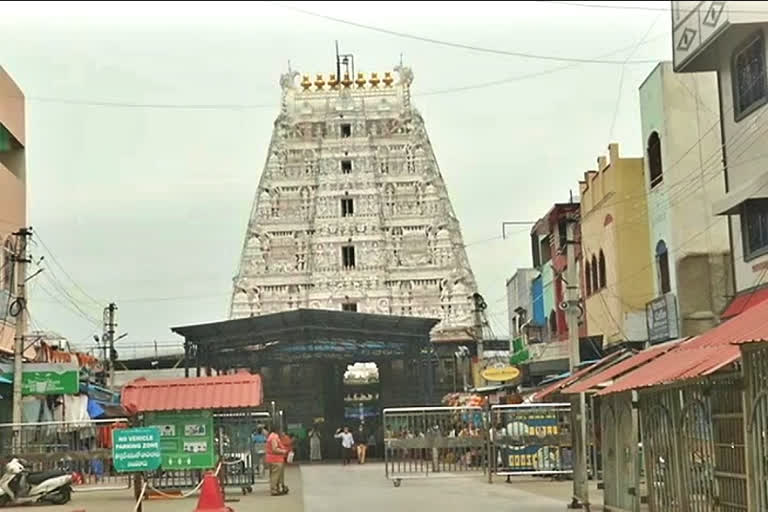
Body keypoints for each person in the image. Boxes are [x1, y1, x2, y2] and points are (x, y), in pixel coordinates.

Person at [265, 425, 290, 496]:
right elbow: (274, 449)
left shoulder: (271, 436)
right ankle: (274, 490)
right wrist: (283, 451)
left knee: (275, 475)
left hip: (272, 459)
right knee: (275, 475)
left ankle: (277, 489)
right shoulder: (274, 437)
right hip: (275, 459)